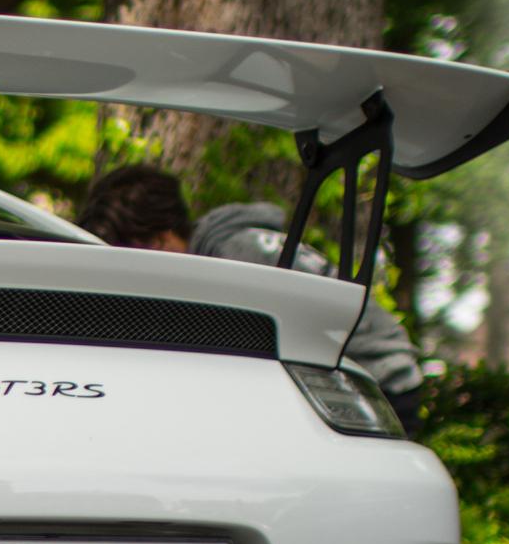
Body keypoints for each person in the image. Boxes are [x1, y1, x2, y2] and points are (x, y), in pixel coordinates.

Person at [75, 163, 425, 437]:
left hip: (379, 382)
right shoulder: (221, 255)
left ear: (159, 241)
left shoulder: (236, 256)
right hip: (351, 378)